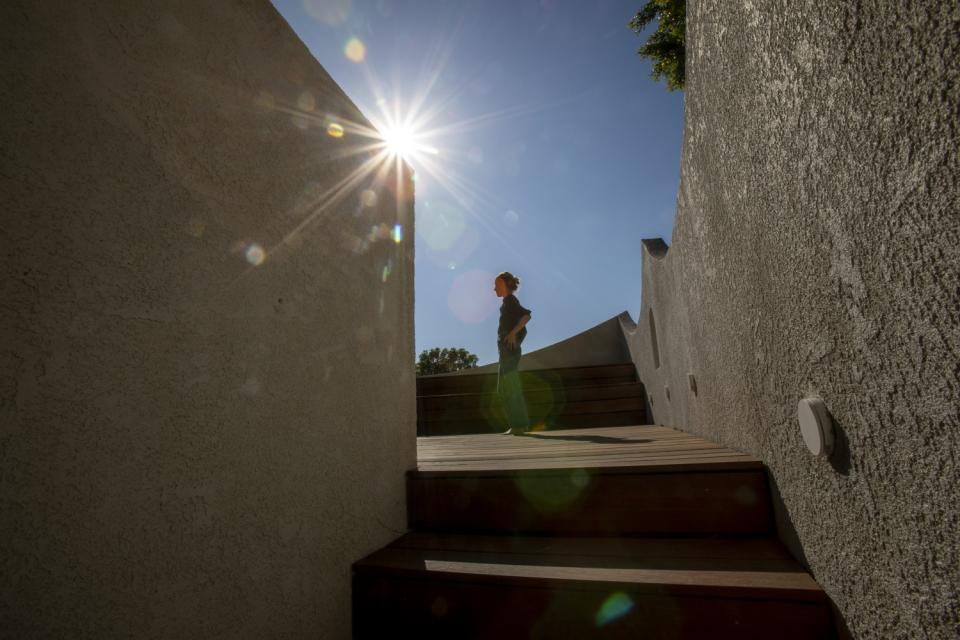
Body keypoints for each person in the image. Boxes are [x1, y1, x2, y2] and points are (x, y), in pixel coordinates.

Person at [494, 272, 531, 435]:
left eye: (496, 285)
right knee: (503, 388)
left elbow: (526, 316)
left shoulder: (510, 301)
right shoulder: (506, 303)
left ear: (503, 284)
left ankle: (520, 425)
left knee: (510, 387)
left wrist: (513, 333)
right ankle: (517, 424)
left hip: (509, 350)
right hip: (505, 351)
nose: (494, 289)